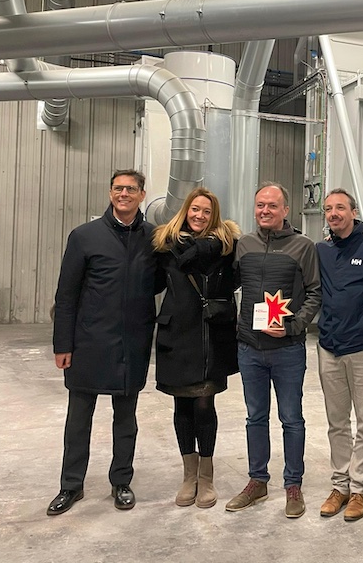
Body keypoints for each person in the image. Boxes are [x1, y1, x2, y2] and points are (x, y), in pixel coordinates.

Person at [48, 169, 162, 515]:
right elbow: (66, 295)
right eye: (118, 188)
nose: (123, 194)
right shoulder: (85, 236)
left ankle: (121, 480)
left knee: (125, 418)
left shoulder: (153, 238)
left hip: (132, 343)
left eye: (130, 189)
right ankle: (71, 485)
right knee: (79, 419)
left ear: (142, 195)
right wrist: (62, 345)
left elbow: (156, 283)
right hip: (88, 343)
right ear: (111, 193)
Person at [226, 181, 321, 519]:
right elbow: (229, 284)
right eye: (260, 205)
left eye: (272, 205)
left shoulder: (303, 246)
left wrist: (294, 326)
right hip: (250, 349)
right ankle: (257, 480)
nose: (265, 210)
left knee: (291, 418)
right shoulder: (244, 246)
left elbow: (315, 293)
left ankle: (292, 484)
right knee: (255, 417)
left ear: (285, 210)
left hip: (288, 351)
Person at [152, 188, 241, 509]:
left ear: (213, 216)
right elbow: (148, 283)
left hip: (211, 334)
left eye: (206, 211)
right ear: (185, 211)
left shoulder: (226, 246)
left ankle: (206, 476)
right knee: (182, 406)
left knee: (204, 404)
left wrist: (213, 245)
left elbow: (238, 279)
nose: (200, 215)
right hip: (177, 334)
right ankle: (188, 475)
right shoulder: (166, 245)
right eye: (195, 209)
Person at [315, 188, 363, 522]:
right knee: (336, 423)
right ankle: (340, 486)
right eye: (328, 209)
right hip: (329, 348)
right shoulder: (322, 250)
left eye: (340, 208)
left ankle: (359, 489)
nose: (334, 213)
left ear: (354, 212)